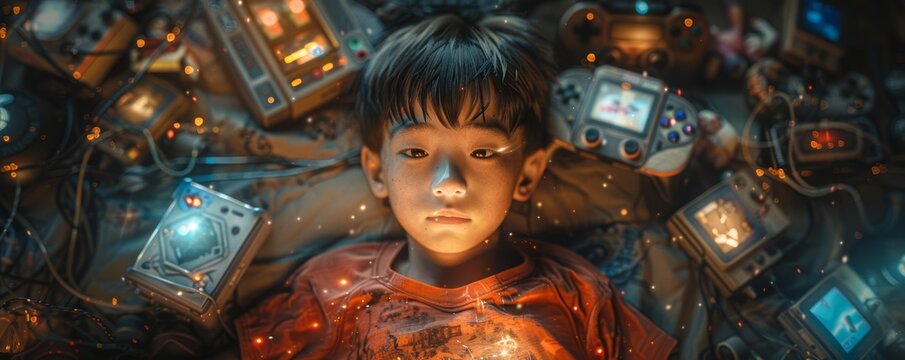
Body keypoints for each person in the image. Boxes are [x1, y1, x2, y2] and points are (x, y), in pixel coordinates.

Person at [233, 13, 676, 359]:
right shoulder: (327, 290)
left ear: (527, 173)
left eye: (482, 153)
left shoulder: (576, 293)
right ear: (375, 172)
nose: (449, 184)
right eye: (416, 153)